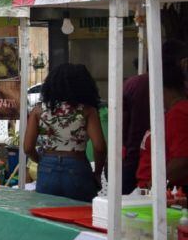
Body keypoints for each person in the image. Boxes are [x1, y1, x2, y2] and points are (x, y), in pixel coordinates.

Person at [23, 64, 106, 201]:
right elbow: (99, 147)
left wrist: (42, 161)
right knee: (80, 216)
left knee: (46, 217)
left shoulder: (38, 111)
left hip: (47, 168)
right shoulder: (87, 111)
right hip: (77, 167)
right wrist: (97, 173)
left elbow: (27, 147)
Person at [124, 40, 188, 193]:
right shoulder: (171, 112)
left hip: (165, 192)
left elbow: (182, 160)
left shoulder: (179, 113)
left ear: (161, 87)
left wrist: (154, 184)